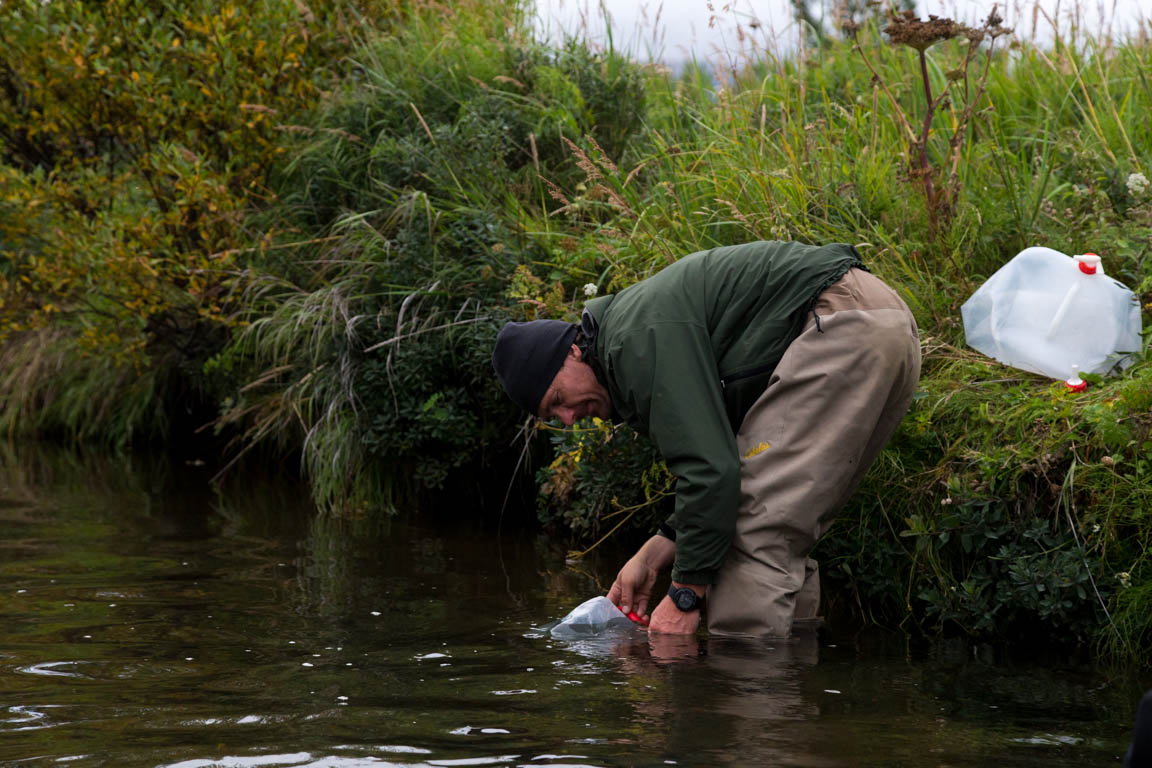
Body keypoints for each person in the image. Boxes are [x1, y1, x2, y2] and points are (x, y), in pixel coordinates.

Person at [491, 240, 921, 636]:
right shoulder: (630, 341)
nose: (568, 418)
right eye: (554, 417)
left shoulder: (633, 342)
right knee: (781, 531)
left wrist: (684, 595)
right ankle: (784, 694)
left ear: (571, 351)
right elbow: (724, 461)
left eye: (558, 399)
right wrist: (656, 551)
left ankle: (742, 704)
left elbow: (711, 470)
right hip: (880, 324)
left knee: (753, 537)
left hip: (841, 326)